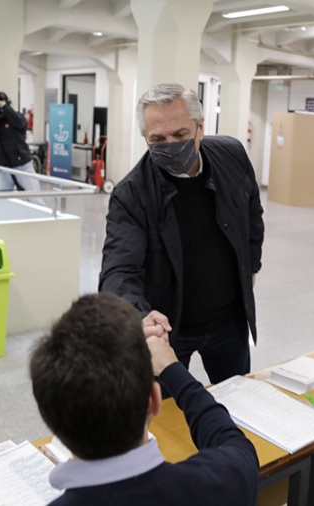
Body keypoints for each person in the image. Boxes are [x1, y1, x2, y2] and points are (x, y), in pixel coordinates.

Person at [99, 83, 264, 388]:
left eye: (180, 135)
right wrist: (140, 316)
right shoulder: (131, 195)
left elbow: (252, 213)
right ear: (145, 139)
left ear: (200, 129)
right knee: (167, 417)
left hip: (229, 320)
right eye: (157, 139)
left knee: (239, 401)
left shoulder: (232, 155)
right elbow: (118, 270)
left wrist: (252, 264)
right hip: (169, 327)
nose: (171, 145)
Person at [30, 292, 259, 506]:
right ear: (154, 400)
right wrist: (172, 369)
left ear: (53, 424)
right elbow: (236, 446)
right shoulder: (214, 486)